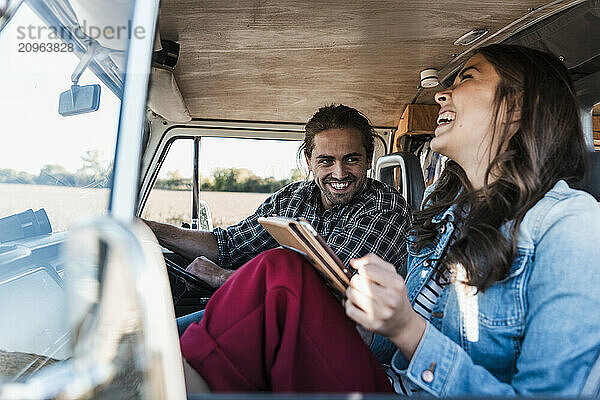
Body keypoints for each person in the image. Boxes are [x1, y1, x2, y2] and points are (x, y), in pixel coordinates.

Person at [180, 44, 600, 396]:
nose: (441, 95)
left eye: (467, 78)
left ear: (517, 108)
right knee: (278, 284)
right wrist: (367, 323)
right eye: (325, 160)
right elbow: (392, 351)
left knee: (280, 275)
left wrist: (404, 327)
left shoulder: (569, 226)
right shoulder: (446, 221)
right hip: (388, 380)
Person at [144, 104, 411, 288]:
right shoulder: (294, 198)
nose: (339, 173)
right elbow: (229, 245)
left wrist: (222, 277)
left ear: (368, 160)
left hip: (344, 334)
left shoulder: (384, 206)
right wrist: (149, 229)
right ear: (309, 161)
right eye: (326, 161)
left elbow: (330, 285)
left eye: (351, 159)